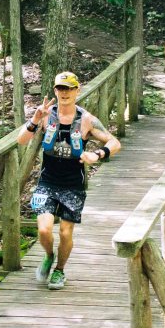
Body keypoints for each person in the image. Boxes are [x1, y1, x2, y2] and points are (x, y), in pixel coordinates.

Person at [16, 71, 121, 290]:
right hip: (47, 181)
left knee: (65, 232)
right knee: (44, 230)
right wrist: (35, 119)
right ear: (55, 90)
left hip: (73, 184)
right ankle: (48, 256)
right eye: (61, 89)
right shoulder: (46, 115)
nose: (65, 93)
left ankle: (59, 270)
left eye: (69, 89)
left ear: (76, 90)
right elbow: (22, 140)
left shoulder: (86, 119)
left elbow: (114, 143)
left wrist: (97, 154)